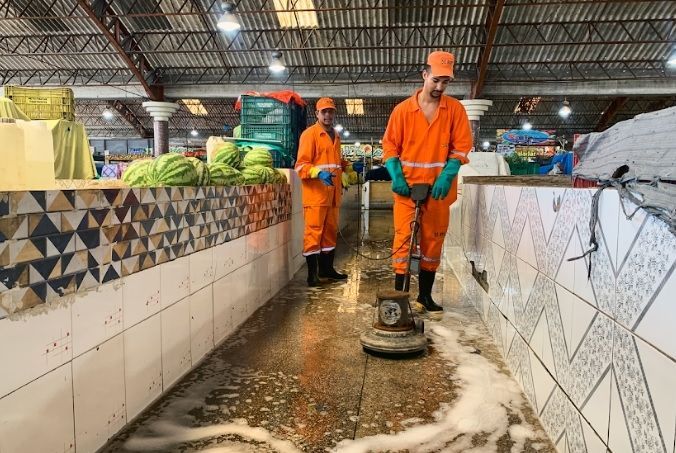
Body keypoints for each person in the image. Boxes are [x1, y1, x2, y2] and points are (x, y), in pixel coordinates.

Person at [382, 50, 473, 315]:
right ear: (425, 75)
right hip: (406, 190)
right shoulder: (402, 111)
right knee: (403, 241)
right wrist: (396, 176)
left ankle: (424, 296)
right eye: (436, 80)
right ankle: (399, 295)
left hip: (438, 191)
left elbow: (461, 147)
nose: (440, 87)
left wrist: (448, 174)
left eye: (446, 82)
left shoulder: (454, 110)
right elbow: (389, 147)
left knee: (432, 243)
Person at [295, 97, 351, 286]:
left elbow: (335, 161)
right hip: (316, 196)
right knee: (314, 233)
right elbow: (301, 166)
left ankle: (327, 269)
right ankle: (312, 275)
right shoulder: (309, 134)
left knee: (329, 233)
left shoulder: (336, 135)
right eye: (324, 111)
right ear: (317, 114)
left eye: (331, 111)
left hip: (333, 195)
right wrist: (318, 172)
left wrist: (346, 168)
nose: (328, 115)